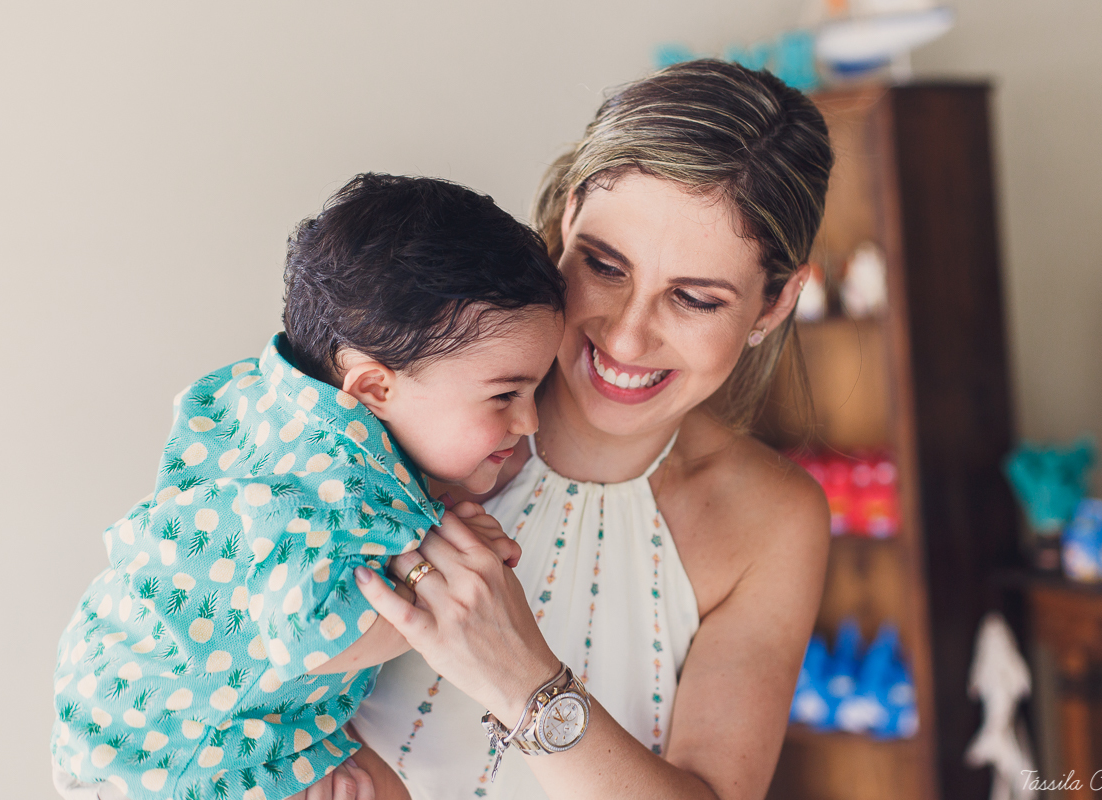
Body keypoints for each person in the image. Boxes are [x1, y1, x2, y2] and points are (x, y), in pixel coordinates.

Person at [341, 59, 836, 800]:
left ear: (774, 305)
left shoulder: (771, 521)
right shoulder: (401, 410)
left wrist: (521, 677)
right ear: (568, 217)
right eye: (606, 266)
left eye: (695, 299)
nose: (629, 339)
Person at [49, 173, 566, 800]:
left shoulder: (281, 401)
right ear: (374, 388)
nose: (530, 420)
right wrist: (442, 585)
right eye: (506, 394)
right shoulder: (333, 488)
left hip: (132, 698)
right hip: (187, 755)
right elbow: (320, 640)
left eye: (536, 389)